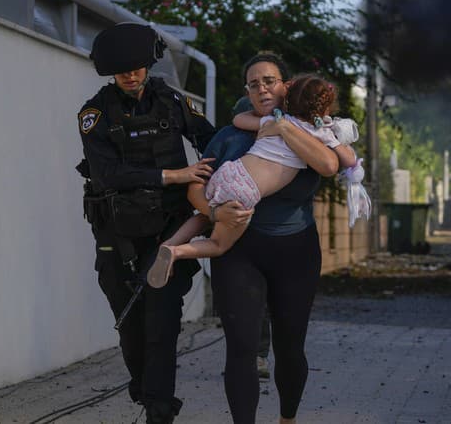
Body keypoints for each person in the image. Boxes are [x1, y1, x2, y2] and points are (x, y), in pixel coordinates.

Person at [76, 22, 216, 424]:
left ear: (148, 64)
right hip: (116, 234)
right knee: (130, 324)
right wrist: (175, 176)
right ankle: (145, 388)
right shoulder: (95, 114)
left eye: (138, 67)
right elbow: (107, 176)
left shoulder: (172, 101)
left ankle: (159, 408)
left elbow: (210, 140)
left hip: (167, 231)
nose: (132, 75)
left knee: (162, 322)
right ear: (111, 73)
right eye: (123, 70)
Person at [192, 52, 340, 424]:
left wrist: (286, 128)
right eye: (254, 83)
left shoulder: (310, 130)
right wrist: (212, 212)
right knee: (241, 349)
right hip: (240, 251)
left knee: (290, 349)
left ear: (285, 85)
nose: (262, 88)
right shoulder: (229, 137)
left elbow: (333, 165)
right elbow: (195, 188)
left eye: (269, 80)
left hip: (296, 250)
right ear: (248, 91)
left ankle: (287, 419)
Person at [145, 73, 359, 288]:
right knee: (219, 244)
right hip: (246, 191)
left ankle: (170, 242)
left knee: (205, 215)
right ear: (324, 110)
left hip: (230, 172)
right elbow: (348, 160)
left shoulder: (276, 121)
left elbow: (238, 119)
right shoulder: (319, 133)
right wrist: (336, 136)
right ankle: (177, 252)